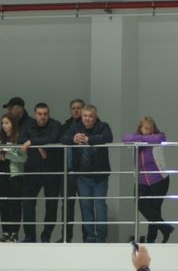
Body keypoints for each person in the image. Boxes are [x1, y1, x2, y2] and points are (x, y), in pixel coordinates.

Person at [61, 104, 113, 243]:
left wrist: (89, 140)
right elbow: (63, 138)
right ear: (81, 116)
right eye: (85, 116)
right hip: (82, 175)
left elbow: (108, 137)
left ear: (95, 116)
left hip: (100, 175)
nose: (87, 119)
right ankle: (90, 236)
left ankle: (101, 236)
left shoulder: (103, 126)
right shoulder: (76, 127)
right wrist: (73, 139)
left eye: (90, 116)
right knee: (85, 205)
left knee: (100, 206)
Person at [123, 116, 174, 243]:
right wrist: (142, 139)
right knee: (141, 204)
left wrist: (141, 140)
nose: (149, 131)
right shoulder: (135, 138)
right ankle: (165, 228)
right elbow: (125, 138)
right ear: (140, 128)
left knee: (155, 209)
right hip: (141, 181)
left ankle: (151, 239)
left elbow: (159, 138)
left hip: (159, 180)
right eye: (146, 128)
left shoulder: (159, 136)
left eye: (151, 128)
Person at [21, 103, 63, 243]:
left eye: (45, 114)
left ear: (48, 114)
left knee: (51, 205)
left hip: (51, 171)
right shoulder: (27, 125)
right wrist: (40, 147)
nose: (42, 117)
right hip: (31, 171)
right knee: (27, 204)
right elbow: (21, 140)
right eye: (39, 114)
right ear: (35, 114)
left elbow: (53, 139)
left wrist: (33, 142)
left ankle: (46, 236)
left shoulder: (55, 124)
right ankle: (29, 236)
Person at [0, 113, 27, 242]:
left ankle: (14, 232)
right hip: (2, 174)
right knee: (3, 205)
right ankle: (5, 232)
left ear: (13, 124)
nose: (4, 126)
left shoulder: (19, 138)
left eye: (7, 123)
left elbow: (23, 158)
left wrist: (8, 155)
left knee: (14, 204)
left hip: (15, 175)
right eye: (3, 123)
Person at [61, 98, 85, 243]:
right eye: (73, 108)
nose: (76, 110)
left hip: (83, 171)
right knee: (67, 206)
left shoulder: (88, 125)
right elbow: (62, 138)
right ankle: (66, 237)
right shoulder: (66, 125)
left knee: (85, 206)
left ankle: (86, 237)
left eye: (79, 108)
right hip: (68, 171)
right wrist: (73, 138)